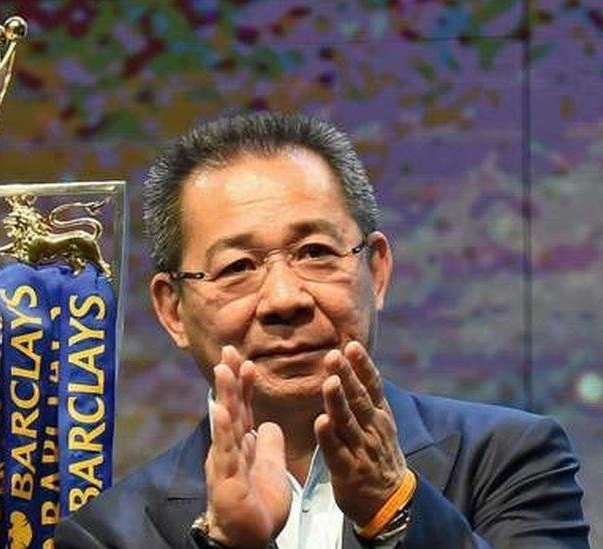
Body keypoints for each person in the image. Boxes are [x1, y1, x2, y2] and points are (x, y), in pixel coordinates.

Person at [54, 112, 589, 548]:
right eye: (238, 266)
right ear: (173, 310)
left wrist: (393, 507)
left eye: (315, 253)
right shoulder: (110, 534)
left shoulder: (507, 459)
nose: (285, 299)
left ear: (375, 271)